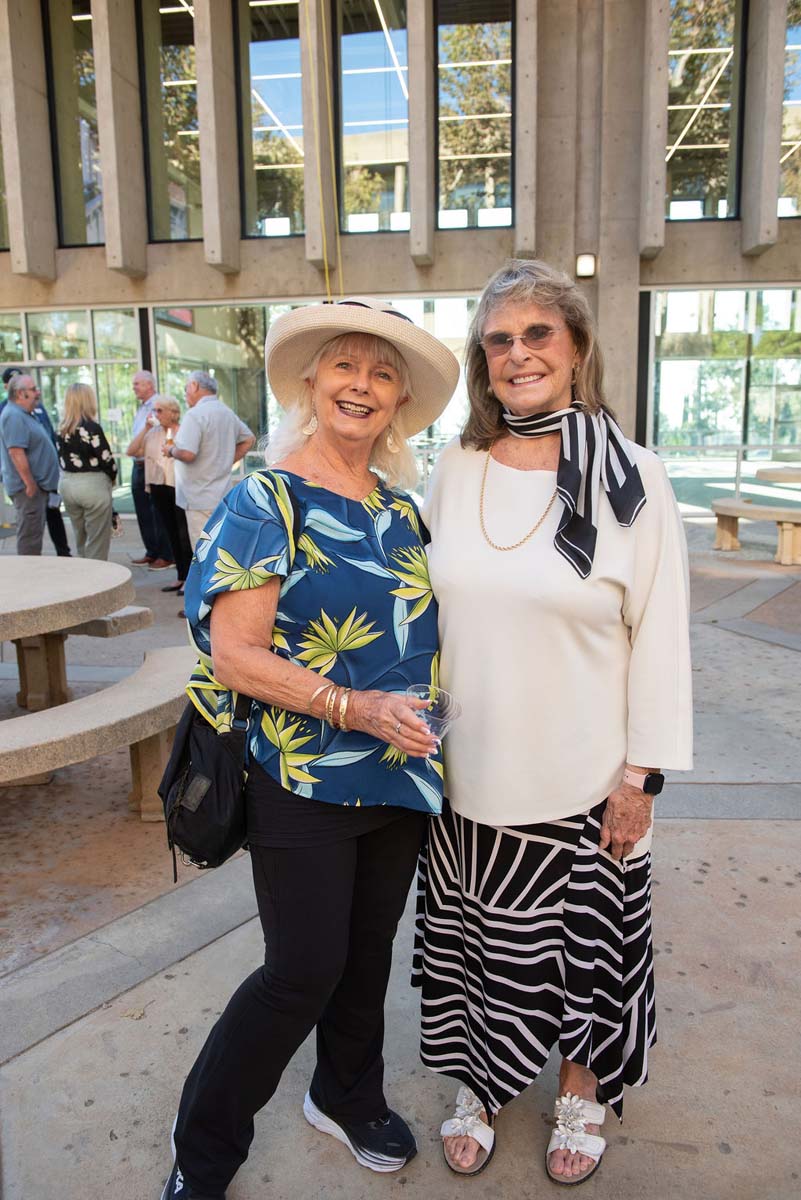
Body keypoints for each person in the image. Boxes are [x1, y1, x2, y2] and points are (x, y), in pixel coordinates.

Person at [160, 298, 460, 1200]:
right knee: (299, 974)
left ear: (398, 400)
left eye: (381, 373)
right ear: (310, 383)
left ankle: (345, 1095)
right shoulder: (269, 496)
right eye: (345, 367)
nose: (361, 385)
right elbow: (235, 654)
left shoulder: (403, 510)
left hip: (401, 771)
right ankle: (203, 1148)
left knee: (366, 958)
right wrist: (352, 707)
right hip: (301, 774)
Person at [413, 259, 693, 1184]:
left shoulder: (634, 478)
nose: (518, 353)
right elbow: (418, 612)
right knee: (481, 946)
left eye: (538, 334)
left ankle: (580, 1088)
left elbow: (659, 635)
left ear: (576, 349)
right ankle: (483, 1082)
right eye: (499, 339)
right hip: (469, 771)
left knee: (586, 956)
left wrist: (640, 777)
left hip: (586, 775)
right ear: (482, 361)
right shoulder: (454, 469)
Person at [164, 370, 255, 550]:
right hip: (221, 496)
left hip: (198, 498)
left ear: (194, 386)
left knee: (203, 552)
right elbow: (249, 439)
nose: (185, 394)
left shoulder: (195, 414)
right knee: (222, 550)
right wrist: (226, 461)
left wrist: (170, 450)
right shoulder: (226, 412)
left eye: (186, 388)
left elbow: (188, 454)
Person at [126, 394, 192, 604]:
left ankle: (189, 578)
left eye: (160, 410)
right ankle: (180, 576)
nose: (156, 414)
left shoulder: (184, 430)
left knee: (183, 534)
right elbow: (131, 451)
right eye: (154, 410)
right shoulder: (152, 433)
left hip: (177, 486)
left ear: (173, 412)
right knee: (170, 533)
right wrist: (145, 428)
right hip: (157, 485)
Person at [1, 367, 71, 556]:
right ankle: (28, 573)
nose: (37, 392)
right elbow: (16, 452)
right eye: (33, 389)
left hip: (39, 488)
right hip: (29, 491)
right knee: (29, 539)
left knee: (34, 536)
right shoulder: (13, 416)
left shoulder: (25, 413)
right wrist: (30, 483)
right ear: (20, 393)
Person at [56, 382, 118, 560]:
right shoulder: (92, 428)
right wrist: (112, 477)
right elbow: (106, 459)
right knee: (97, 540)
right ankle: (96, 574)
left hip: (68, 484)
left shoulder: (61, 429)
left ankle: (83, 570)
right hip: (92, 485)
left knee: (80, 537)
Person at [128, 369, 173, 569]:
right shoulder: (141, 408)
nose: (134, 388)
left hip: (152, 465)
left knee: (157, 512)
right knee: (143, 512)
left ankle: (165, 554)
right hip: (138, 464)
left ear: (149, 385)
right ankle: (152, 552)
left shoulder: (158, 406)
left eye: (137, 383)